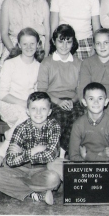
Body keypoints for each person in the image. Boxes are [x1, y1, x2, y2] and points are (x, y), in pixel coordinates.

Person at [48, 82, 109, 197]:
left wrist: (88, 156)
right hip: (82, 167)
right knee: (53, 164)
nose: (96, 102)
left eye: (100, 98)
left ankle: (83, 185)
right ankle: (104, 186)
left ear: (106, 102)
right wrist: (101, 155)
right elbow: (73, 156)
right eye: (91, 99)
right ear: (84, 102)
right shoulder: (78, 124)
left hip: (101, 169)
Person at [0, 92, 61, 205]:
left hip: (41, 169)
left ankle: (10, 187)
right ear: (27, 111)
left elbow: (50, 155)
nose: (38, 113)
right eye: (34, 108)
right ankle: (35, 193)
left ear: (49, 111)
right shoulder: (21, 128)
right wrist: (34, 150)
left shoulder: (54, 126)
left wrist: (22, 154)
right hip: (19, 169)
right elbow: (11, 160)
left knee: (53, 178)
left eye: (43, 109)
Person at [37, 24, 84, 158]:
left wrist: (72, 101)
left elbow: (80, 89)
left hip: (72, 100)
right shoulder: (47, 63)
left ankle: (68, 154)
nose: (64, 46)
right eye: (60, 41)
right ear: (53, 41)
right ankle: (55, 153)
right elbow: (42, 90)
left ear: (73, 42)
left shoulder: (78, 63)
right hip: (52, 100)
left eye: (68, 42)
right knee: (58, 118)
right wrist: (58, 101)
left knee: (79, 118)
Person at [0, 28, 42, 158]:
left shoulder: (39, 66)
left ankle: (10, 139)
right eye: (25, 44)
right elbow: (3, 94)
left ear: (38, 44)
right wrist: (23, 103)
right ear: (19, 45)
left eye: (32, 43)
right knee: (28, 114)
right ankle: (8, 142)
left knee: (33, 114)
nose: (29, 47)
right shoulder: (10, 64)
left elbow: (37, 91)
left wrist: (29, 104)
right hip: (9, 103)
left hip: (28, 106)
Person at [0, 0, 50, 67]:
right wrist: (15, 54)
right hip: (14, 49)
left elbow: (48, 34)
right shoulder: (8, 1)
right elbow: (4, 33)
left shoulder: (42, 2)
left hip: (38, 51)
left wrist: (44, 57)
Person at [78, 28, 109, 119]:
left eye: (106, 43)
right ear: (93, 46)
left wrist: (104, 102)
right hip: (91, 101)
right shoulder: (87, 63)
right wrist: (92, 101)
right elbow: (83, 86)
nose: (102, 47)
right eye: (98, 43)